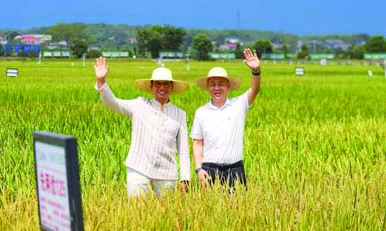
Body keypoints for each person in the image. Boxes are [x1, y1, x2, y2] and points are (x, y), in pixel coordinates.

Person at [93, 57, 190, 197]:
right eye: (158, 84)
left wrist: (185, 178)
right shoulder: (139, 105)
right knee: (135, 210)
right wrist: (101, 81)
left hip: (166, 171)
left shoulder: (180, 114)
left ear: (171, 87)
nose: (162, 88)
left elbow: (183, 149)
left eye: (166, 84)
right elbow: (113, 103)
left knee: (166, 212)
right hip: (138, 167)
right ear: (151, 87)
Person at [190, 48, 261, 188]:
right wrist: (199, 169)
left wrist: (256, 71)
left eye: (221, 84)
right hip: (209, 170)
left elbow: (255, 89)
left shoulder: (239, 104)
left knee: (238, 208)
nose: (217, 88)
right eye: (213, 84)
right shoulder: (201, 112)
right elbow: (197, 143)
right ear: (208, 88)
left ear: (228, 86)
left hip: (235, 170)